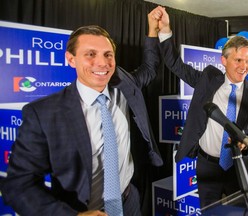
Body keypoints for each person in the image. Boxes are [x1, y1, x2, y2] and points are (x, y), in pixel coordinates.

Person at [0, 14, 163, 216]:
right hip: (81, 210)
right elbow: (18, 185)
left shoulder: (124, 86)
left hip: (129, 201)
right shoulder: (44, 113)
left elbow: (149, 68)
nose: (102, 63)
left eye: (108, 54)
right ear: (71, 59)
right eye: (90, 54)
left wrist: (153, 30)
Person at [149, 6, 248, 208]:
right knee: (208, 212)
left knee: (240, 213)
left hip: (239, 167)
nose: (244, 66)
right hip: (207, 166)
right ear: (224, 60)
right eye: (238, 60)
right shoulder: (208, 78)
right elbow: (174, 63)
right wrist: (165, 30)